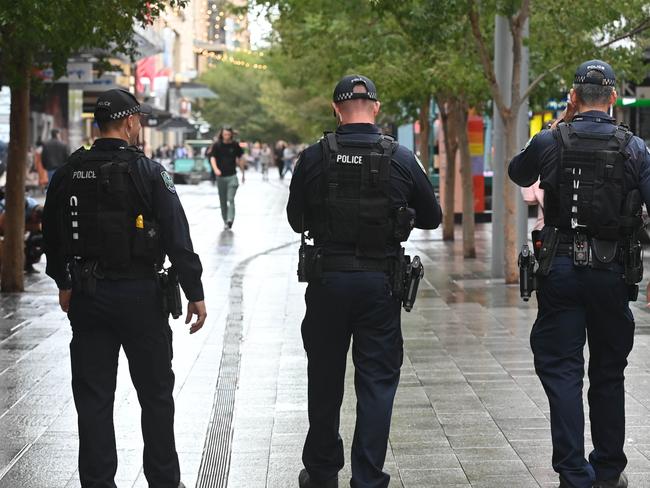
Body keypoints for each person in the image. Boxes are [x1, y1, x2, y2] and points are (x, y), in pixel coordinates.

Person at [42, 88, 207, 488]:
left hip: (88, 295)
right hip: (141, 297)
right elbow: (176, 235)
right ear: (130, 122)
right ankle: (164, 481)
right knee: (155, 396)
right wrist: (194, 291)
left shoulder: (69, 170)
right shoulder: (150, 172)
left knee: (94, 398)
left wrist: (64, 281)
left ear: (98, 125)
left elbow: (52, 232)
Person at [287, 75, 442, 488]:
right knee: (376, 382)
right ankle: (368, 476)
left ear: (335, 109)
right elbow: (432, 217)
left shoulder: (314, 157)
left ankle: (321, 471)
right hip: (379, 283)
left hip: (328, 281)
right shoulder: (401, 157)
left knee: (324, 376)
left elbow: (295, 219)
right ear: (375, 107)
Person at [509, 60, 650, 488]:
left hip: (561, 268)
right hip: (611, 273)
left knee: (563, 369)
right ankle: (608, 470)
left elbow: (519, 172)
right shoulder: (634, 147)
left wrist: (558, 127)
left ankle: (573, 471)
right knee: (608, 370)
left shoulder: (551, 138)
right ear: (611, 98)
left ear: (574, 96)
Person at [208, 127, 245, 230]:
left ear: (231, 135)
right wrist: (215, 169)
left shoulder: (235, 145)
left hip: (232, 176)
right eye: (225, 134)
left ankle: (230, 219)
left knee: (230, 198)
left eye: (228, 134)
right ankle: (225, 221)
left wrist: (243, 173)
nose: (227, 136)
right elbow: (212, 158)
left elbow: (241, 158)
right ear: (222, 134)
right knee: (223, 200)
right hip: (220, 177)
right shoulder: (217, 145)